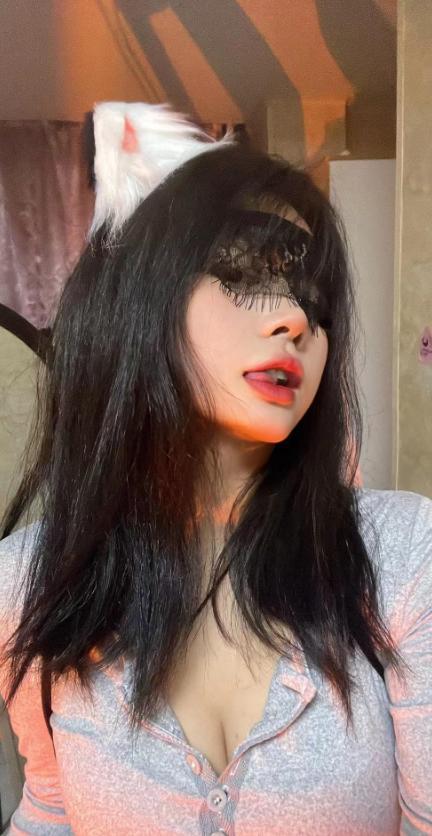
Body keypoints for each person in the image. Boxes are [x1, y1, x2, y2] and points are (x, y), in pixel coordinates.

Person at [0, 101, 431, 836]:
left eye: (316, 303)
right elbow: (50, 807)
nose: (296, 320)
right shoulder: (26, 584)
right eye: (242, 272)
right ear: (139, 296)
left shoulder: (401, 556)